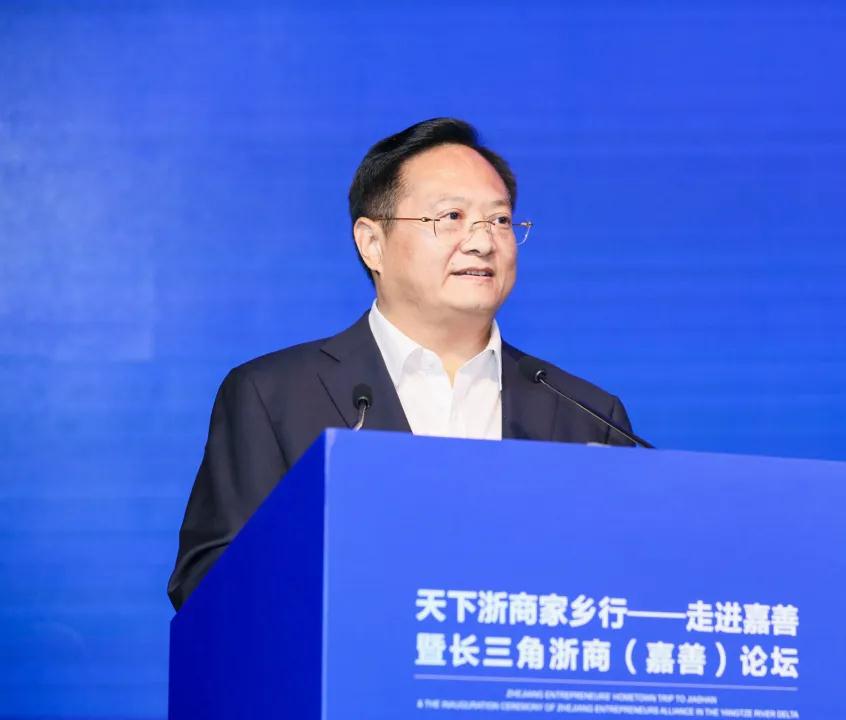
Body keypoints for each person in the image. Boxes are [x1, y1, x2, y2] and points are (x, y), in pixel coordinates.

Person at [167, 118, 636, 611]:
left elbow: (629, 584)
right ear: (372, 243)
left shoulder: (587, 416)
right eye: (451, 216)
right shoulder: (273, 396)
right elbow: (209, 584)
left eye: (499, 220)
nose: (483, 242)